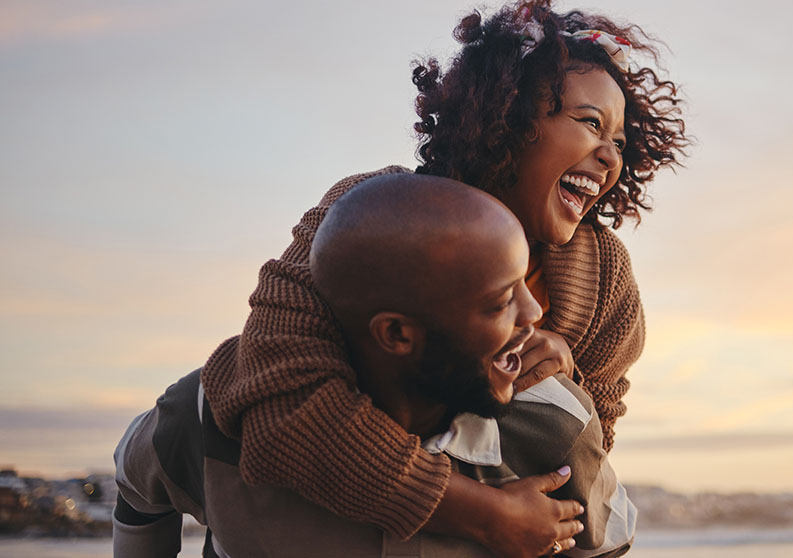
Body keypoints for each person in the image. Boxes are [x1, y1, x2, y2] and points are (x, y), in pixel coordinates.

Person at [201, 0, 687, 557]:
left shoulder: (604, 276)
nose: (610, 156)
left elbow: (587, 456)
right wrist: (481, 514)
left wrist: (569, 380)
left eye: (620, 139)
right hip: (311, 520)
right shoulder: (368, 215)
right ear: (508, 116)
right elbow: (281, 403)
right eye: (588, 122)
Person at [113, 175, 636, 558]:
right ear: (397, 333)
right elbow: (136, 485)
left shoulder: (555, 426)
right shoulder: (214, 412)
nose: (536, 314)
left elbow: (605, 544)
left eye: (528, 281)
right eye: (501, 301)